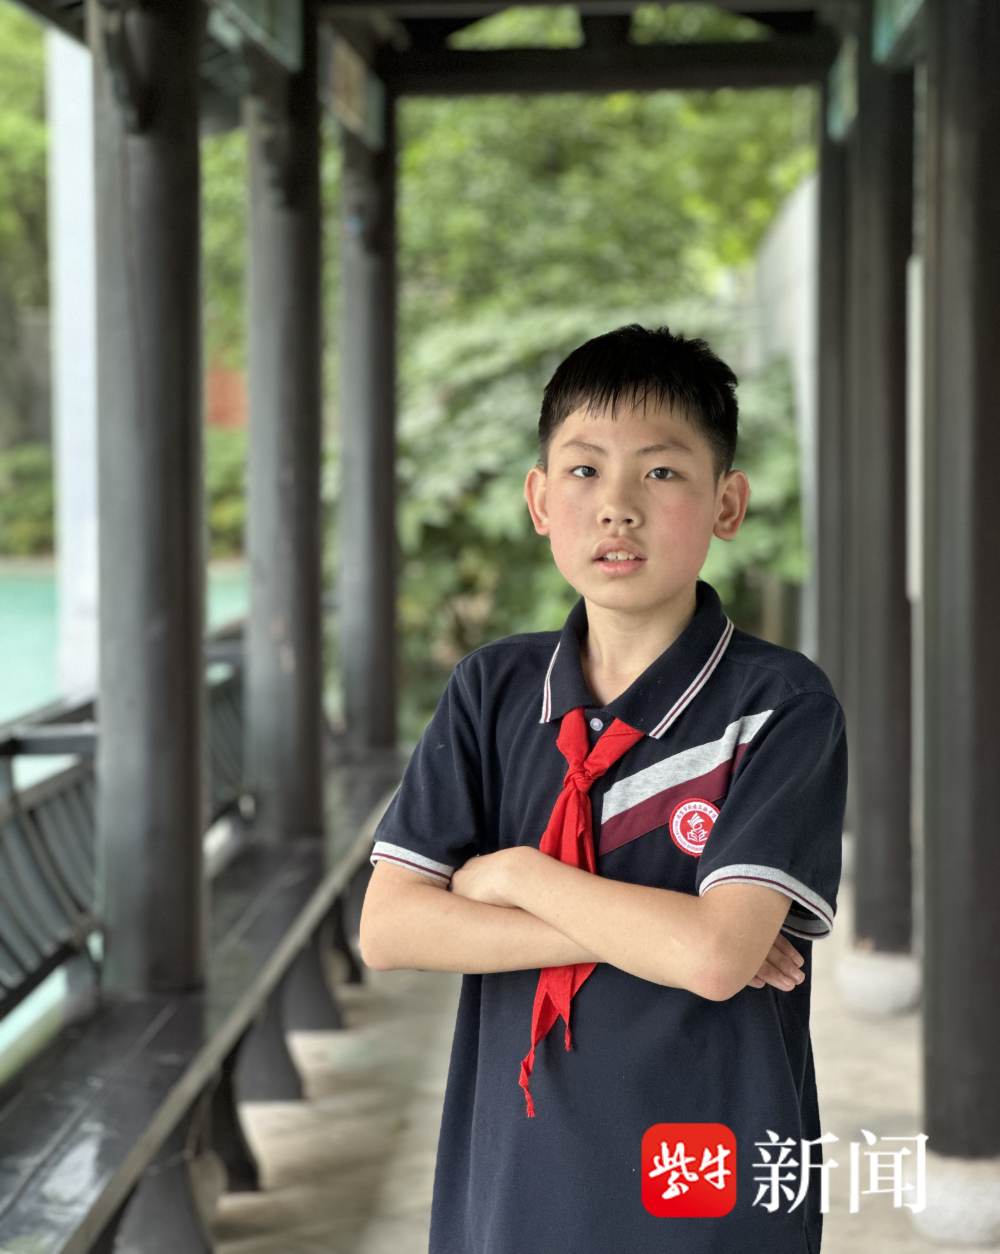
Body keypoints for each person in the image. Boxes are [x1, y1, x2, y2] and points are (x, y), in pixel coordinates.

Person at [359, 324, 847, 1254]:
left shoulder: (779, 706)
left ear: (727, 502)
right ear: (541, 500)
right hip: (514, 1184)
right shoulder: (493, 691)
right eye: (584, 470)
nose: (617, 506)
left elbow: (715, 960)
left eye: (660, 472)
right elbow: (390, 928)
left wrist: (515, 874)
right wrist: (665, 933)